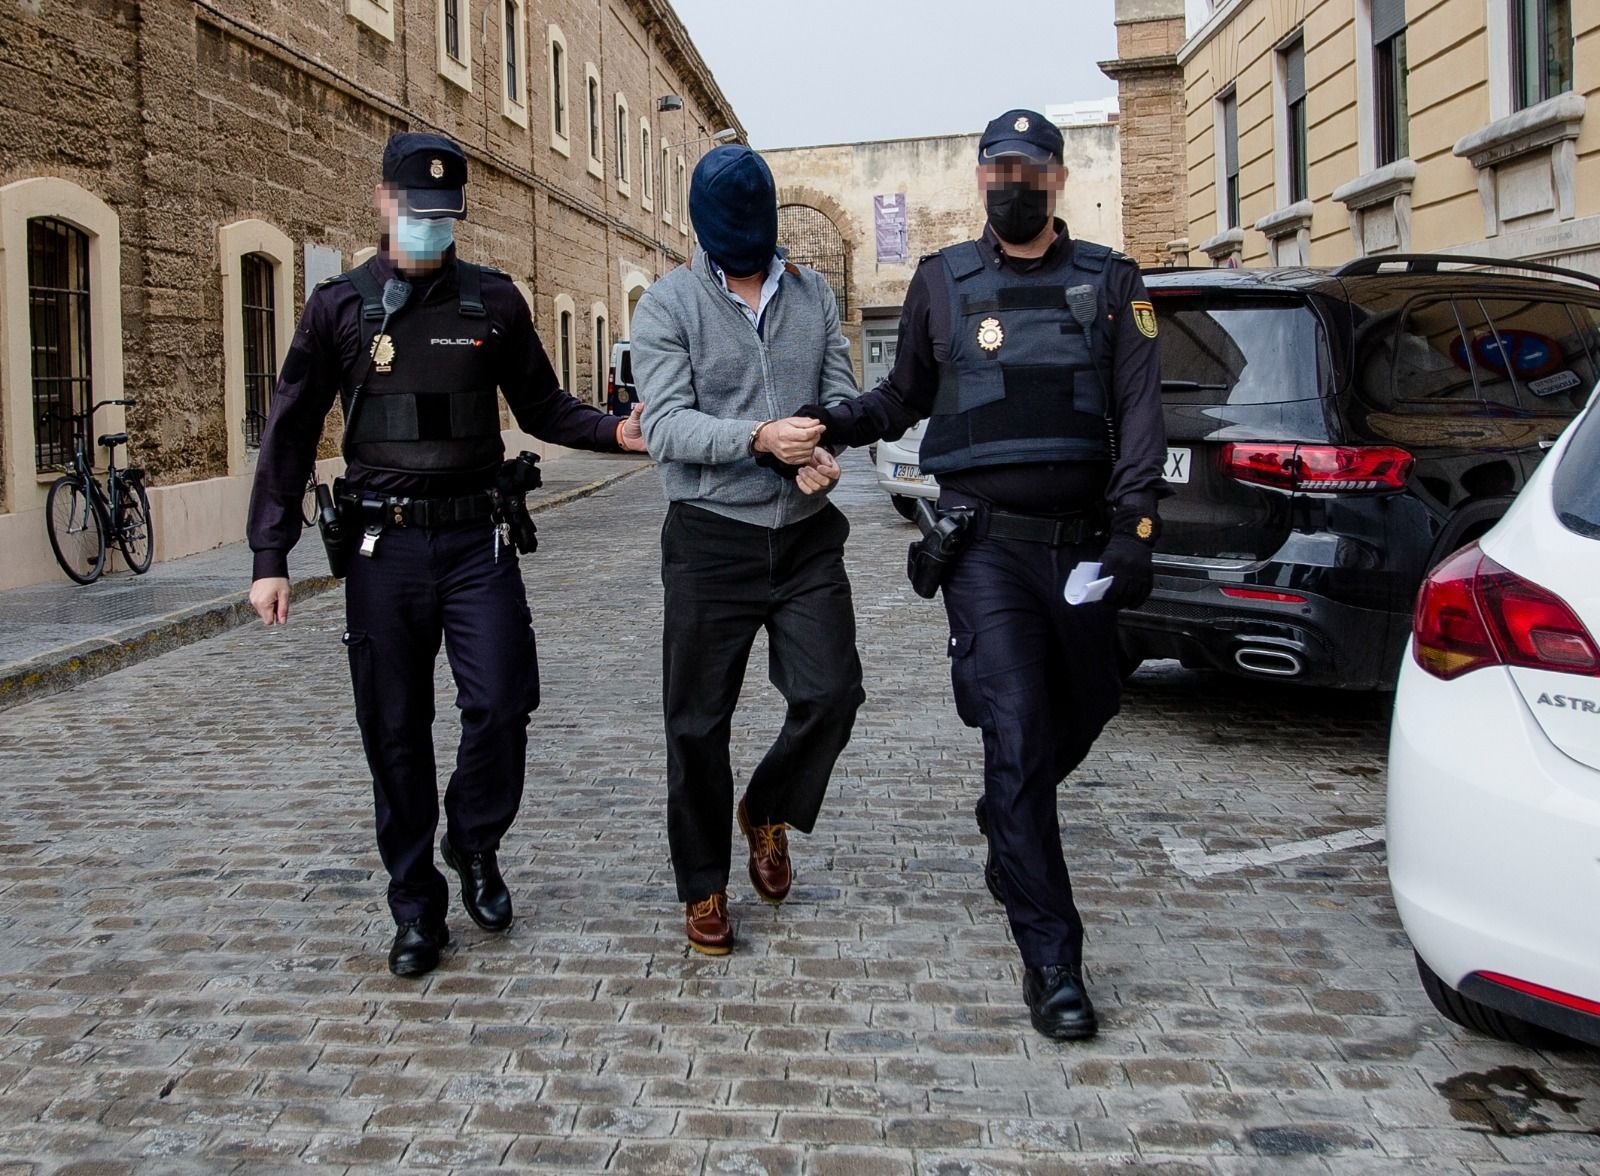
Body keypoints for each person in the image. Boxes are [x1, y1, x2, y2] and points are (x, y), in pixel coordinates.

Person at [800, 110, 1167, 1039]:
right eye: (998, 168)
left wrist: (1135, 525)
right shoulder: (941, 283)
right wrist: (839, 424)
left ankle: (1009, 818)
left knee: (1088, 707)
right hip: (987, 548)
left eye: (1029, 169)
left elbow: (1140, 407)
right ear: (979, 180)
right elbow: (905, 395)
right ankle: (1052, 960)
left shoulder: (1111, 283)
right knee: (1015, 724)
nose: (1013, 182)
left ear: (1056, 179)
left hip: (1082, 543)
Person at [246, 131, 648, 977]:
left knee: (502, 702)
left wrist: (617, 430)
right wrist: (268, 555)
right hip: (381, 547)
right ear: (385, 202)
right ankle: (415, 907)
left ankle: (474, 841)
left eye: (445, 213)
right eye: (416, 208)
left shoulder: (493, 304)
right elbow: (287, 433)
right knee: (393, 730)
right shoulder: (338, 309)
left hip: (476, 542)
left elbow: (542, 406)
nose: (430, 224)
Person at [631, 144, 866, 956]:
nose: (752, 249)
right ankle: (703, 885)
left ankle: (767, 806)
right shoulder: (667, 305)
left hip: (805, 540)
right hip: (710, 541)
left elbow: (837, 396)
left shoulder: (812, 294)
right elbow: (664, 426)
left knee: (834, 693)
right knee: (696, 723)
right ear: (705, 228)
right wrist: (758, 439)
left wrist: (825, 449)